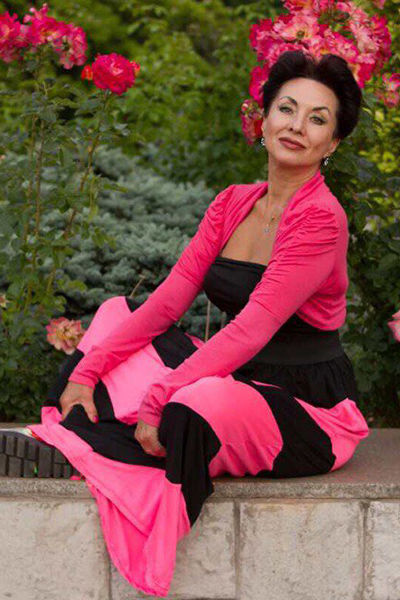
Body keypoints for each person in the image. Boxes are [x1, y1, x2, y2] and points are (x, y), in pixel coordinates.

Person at [0, 49, 371, 597]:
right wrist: (87, 370)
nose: (296, 126)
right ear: (264, 118)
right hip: (233, 374)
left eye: (317, 119)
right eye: (287, 109)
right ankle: (88, 440)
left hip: (304, 407)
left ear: (332, 143)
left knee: (195, 404)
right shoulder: (233, 203)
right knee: (117, 316)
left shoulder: (321, 218)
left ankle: (80, 446)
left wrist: (160, 396)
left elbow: (251, 330)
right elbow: (167, 302)